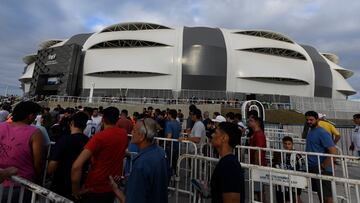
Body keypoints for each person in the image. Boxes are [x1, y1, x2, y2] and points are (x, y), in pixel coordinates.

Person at [71, 107, 128, 203]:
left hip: (94, 188)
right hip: (112, 187)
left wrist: (75, 190)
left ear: (103, 119)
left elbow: (76, 166)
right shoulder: (124, 134)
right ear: (117, 120)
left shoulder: (100, 137)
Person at [111, 118, 169, 203]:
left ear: (142, 136)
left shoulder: (141, 164)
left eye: (134, 131)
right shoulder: (160, 152)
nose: (131, 133)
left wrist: (115, 189)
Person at [0, 101, 44, 202]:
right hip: (22, 184)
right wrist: (38, 182)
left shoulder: (1, 126)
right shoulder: (35, 133)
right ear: (30, 115)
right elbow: (38, 163)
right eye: (35, 115)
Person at [47, 112, 89, 200]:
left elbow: (52, 167)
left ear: (71, 123)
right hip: (79, 185)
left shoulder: (63, 140)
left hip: (60, 184)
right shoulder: (89, 142)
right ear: (85, 126)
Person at [305, 111, 337, 203]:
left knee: (327, 196)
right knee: (321, 194)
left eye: (311, 120)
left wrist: (323, 166)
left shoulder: (322, 132)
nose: (309, 122)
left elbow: (333, 151)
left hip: (322, 169)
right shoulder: (311, 131)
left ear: (317, 119)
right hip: (313, 167)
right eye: (307, 120)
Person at [210, 122, 245, 203]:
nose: (212, 135)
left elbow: (232, 200)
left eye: (215, 133)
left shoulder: (229, 165)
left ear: (224, 138)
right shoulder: (226, 162)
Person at [273, 136, 303, 203]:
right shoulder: (278, 154)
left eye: (289, 144)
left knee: (296, 199)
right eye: (285, 144)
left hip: (294, 182)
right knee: (281, 199)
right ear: (283, 144)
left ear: (292, 144)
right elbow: (274, 166)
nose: (287, 146)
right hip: (281, 182)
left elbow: (302, 168)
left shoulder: (297, 155)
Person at [247, 115, 266, 202]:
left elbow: (258, 150)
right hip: (255, 164)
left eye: (251, 121)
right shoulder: (255, 133)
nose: (248, 122)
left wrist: (256, 164)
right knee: (256, 189)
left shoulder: (259, 134)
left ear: (257, 123)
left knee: (259, 190)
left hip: (258, 164)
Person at [165, 109, 182, 173]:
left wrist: (166, 143)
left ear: (170, 115)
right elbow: (180, 133)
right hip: (177, 146)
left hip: (170, 147)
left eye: (168, 114)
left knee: (169, 163)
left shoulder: (169, 124)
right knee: (175, 163)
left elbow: (169, 135)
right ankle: (175, 175)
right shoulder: (178, 123)